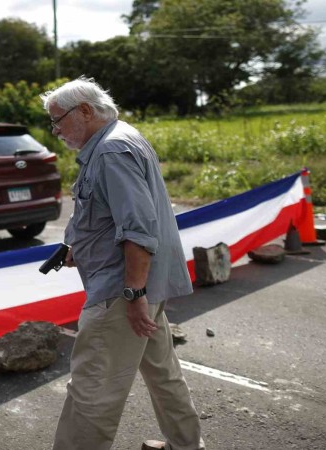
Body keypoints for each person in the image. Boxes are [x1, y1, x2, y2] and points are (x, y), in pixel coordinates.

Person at [41, 77, 205, 450]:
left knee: (92, 391)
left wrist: (133, 293)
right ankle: (186, 445)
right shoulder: (119, 138)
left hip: (122, 292)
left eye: (57, 120)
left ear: (84, 110)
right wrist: (78, 244)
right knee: (163, 374)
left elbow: (138, 229)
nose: (56, 131)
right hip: (143, 287)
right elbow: (109, 212)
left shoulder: (111, 150)